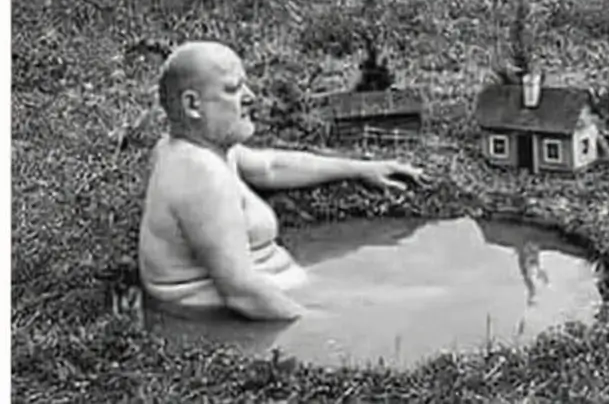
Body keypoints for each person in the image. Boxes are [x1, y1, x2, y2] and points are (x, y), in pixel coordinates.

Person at [138, 40, 424, 321]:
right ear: (192, 105)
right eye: (233, 89)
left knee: (406, 293)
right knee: (412, 305)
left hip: (277, 293)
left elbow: (270, 166)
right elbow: (241, 292)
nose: (250, 97)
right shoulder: (200, 174)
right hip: (219, 319)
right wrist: (325, 326)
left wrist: (361, 169)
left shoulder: (196, 147)